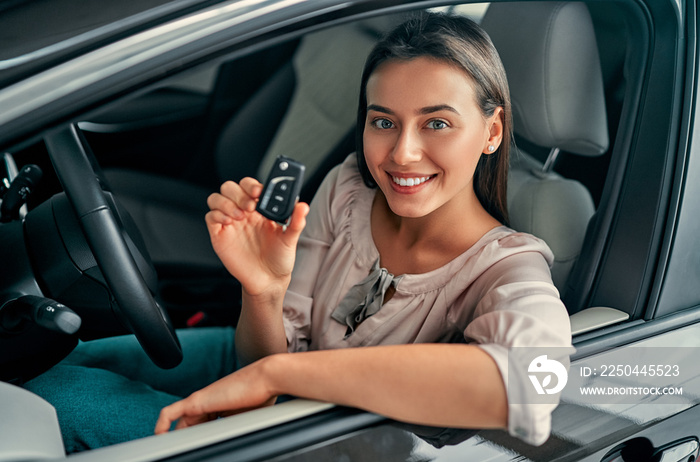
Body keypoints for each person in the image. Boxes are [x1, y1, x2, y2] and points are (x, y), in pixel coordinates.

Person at [155, 11, 573, 447]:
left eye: (437, 123)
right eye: (384, 122)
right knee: (80, 367)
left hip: (324, 451)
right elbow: (263, 360)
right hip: (272, 406)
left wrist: (274, 375)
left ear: (492, 131)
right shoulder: (349, 187)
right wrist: (264, 291)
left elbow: (529, 384)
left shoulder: (507, 268)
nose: (403, 153)